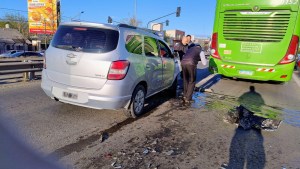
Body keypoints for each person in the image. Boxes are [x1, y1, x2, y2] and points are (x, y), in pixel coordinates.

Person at [180, 39, 206, 104]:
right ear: (199, 46)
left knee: (185, 80)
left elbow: (185, 57)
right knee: (192, 81)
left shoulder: (189, 50)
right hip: (191, 64)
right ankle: (188, 98)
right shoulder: (200, 51)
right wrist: (198, 58)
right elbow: (204, 63)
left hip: (183, 63)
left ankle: (185, 95)